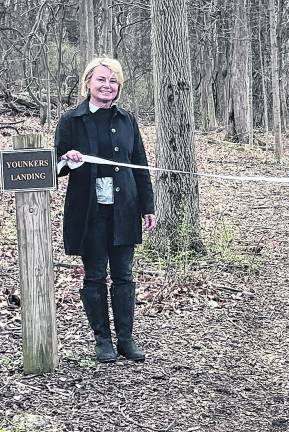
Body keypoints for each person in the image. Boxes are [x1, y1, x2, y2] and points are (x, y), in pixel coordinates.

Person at [56, 56, 156, 363]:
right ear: (88, 82)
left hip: (123, 210)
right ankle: (103, 340)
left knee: (124, 275)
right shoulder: (71, 120)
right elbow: (56, 166)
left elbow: (139, 164)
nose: (107, 86)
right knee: (96, 275)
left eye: (113, 81)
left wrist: (147, 206)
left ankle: (126, 339)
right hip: (89, 212)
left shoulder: (127, 119)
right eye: (101, 80)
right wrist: (67, 159)